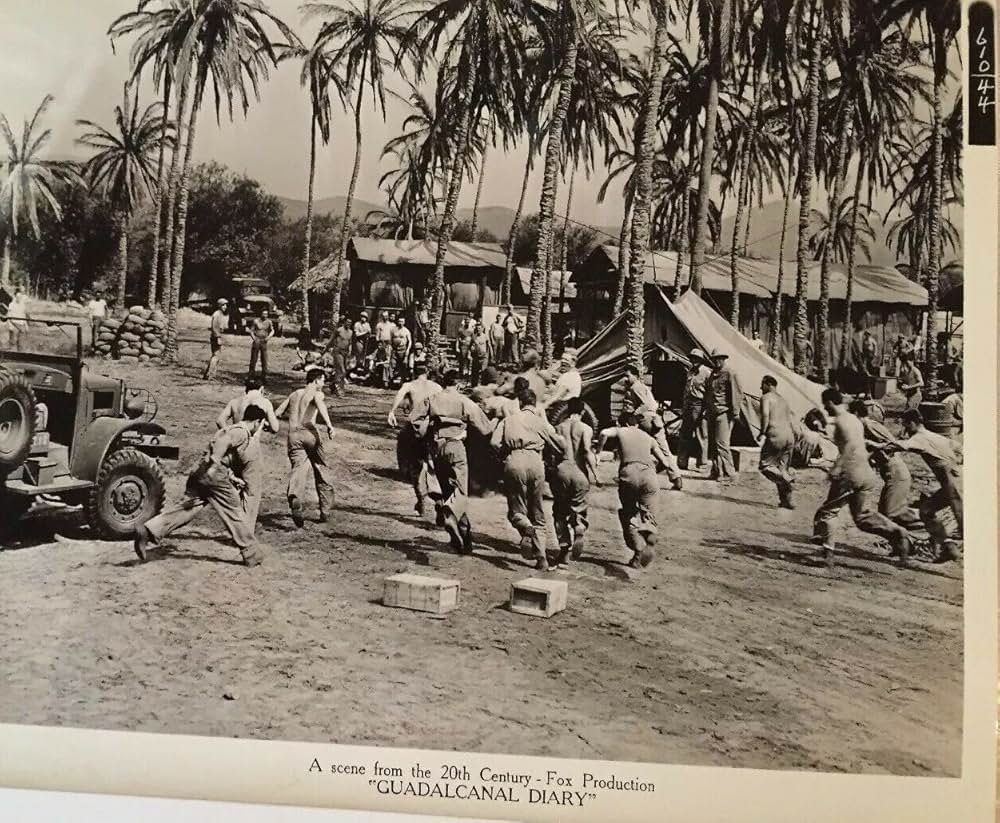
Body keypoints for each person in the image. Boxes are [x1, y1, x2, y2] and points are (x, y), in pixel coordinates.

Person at [133, 405, 268, 567]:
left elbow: (219, 449)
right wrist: (214, 467)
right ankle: (251, 553)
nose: (260, 428)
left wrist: (231, 476)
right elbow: (222, 444)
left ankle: (149, 530)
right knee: (234, 511)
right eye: (261, 425)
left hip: (200, 471)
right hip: (214, 475)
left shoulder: (231, 428)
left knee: (187, 509)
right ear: (257, 422)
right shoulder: (242, 432)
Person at [811, 388, 913, 567]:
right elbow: (854, 442)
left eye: (825, 404)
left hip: (850, 473)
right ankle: (897, 532)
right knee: (862, 517)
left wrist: (837, 467)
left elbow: (849, 445)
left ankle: (827, 554)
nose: (825, 408)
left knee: (828, 512)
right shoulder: (854, 420)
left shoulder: (843, 420)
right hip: (866, 473)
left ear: (831, 402)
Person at [411, 369, 494, 553]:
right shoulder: (464, 401)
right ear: (458, 385)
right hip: (455, 446)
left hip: (436, 447)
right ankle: (452, 517)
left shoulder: (433, 399)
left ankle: (463, 538)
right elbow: (485, 428)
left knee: (449, 491)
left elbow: (414, 419)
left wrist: (429, 428)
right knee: (461, 492)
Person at [491, 388, 566, 571]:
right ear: (534, 404)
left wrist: (504, 455)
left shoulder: (508, 420)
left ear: (520, 403)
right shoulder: (540, 422)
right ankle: (542, 559)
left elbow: (493, 442)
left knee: (516, 511)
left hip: (514, 460)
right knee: (538, 512)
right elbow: (558, 445)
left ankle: (525, 527)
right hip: (535, 462)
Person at [597, 412, 674, 568]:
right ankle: (650, 532)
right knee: (649, 515)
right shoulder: (649, 438)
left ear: (623, 424)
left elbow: (604, 432)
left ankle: (638, 550)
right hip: (649, 476)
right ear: (636, 424)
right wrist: (650, 471)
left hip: (629, 474)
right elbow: (666, 463)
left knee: (629, 513)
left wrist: (598, 451)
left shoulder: (621, 431)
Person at [895, 408, 963, 562]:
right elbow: (958, 447)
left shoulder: (919, 437)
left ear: (912, 423)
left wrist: (875, 443)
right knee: (926, 511)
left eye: (906, 426)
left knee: (965, 524)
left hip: (954, 482)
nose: (905, 430)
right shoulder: (935, 436)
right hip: (951, 482)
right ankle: (949, 547)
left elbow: (901, 446)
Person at [848, 398, 921, 536]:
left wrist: (874, 447)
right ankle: (903, 543)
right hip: (891, 474)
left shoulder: (870, 425)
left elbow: (893, 444)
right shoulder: (863, 428)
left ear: (857, 413)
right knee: (885, 514)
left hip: (897, 473)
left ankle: (928, 518)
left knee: (891, 513)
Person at [274, 368, 337, 528]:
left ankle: (295, 495)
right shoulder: (317, 392)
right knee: (321, 468)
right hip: (309, 431)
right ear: (316, 380)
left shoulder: (294, 394)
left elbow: (278, 412)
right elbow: (320, 404)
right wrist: (329, 425)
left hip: (293, 434)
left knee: (298, 468)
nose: (323, 383)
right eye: (323, 380)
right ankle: (325, 510)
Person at [387, 362, 442, 516]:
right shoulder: (436, 387)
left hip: (416, 428)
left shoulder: (410, 385)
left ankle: (421, 498)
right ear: (428, 372)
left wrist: (392, 411)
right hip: (432, 428)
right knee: (433, 466)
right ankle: (439, 501)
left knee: (415, 466)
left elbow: (400, 394)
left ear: (414, 372)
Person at [550, 396, 598, 566]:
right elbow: (586, 451)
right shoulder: (585, 429)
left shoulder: (557, 428)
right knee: (578, 507)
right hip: (579, 472)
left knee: (559, 511)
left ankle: (564, 550)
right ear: (583, 411)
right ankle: (578, 526)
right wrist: (595, 474)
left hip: (561, 470)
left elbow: (552, 453)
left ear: (568, 411)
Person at [623, 365, 683, 490]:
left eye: (628, 375)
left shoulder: (636, 387)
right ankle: (673, 476)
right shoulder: (641, 386)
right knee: (660, 449)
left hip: (647, 421)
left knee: (654, 449)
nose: (626, 378)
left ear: (635, 375)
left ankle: (674, 477)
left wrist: (634, 413)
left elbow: (647, 404)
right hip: (651, 421)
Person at [704, 349, 742, 483]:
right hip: (711, 412)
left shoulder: (730, 373)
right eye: (714, 359)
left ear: (723, 359)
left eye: (719, 358)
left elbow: (736, 394)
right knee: (713, 445)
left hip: (723, 412)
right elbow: (708, 393)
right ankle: (717, 471)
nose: (716, 361)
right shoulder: (712, 374)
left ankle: (729, 473)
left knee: (722, 444)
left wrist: (735, 413)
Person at [758, 375, 796, 509]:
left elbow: (765, 415)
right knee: (781, 468)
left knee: (765, 466)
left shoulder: (766, 398)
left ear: (768, 384)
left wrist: (762, 432)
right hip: (789, 436)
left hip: (776, 434)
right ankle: (787, 501)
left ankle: (787, 479)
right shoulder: (783, 400)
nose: (760, 388)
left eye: (762, 384)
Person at [678, 349, 711, 470]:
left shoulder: (706, 373)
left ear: (701, 360)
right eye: (692, 358)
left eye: (697, 358)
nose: (694, 360)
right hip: (688, 404)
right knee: (684, 433)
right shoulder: (690, 371)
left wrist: (706, 409)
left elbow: (709, 392)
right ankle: (682, 462)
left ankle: (702, 463)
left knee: (701, 434)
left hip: (699, 404)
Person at [325, 316, 354, 395]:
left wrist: (350, 351)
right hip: (338, 351)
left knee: (342, 371)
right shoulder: (339, 330)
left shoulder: (351, 332)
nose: (348, 324)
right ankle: (339, 389)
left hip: (346, 352)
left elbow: (350, 342)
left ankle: (333, 385)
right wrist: (326, 349)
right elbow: (331, 340)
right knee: (342, 370)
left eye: (350, 323)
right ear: (344, 322)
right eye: (347, 322)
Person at [202, 298, 229, 380]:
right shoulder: (217, 314)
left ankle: (210, 374)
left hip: (217, 335)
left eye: (226, 305)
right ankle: (210, 374)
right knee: (216, 356)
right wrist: (218, 337)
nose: (225, 306)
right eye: (223, 305)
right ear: (220, 305)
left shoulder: (220, 314)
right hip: (216, 336)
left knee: (216, 355)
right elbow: (214, 327)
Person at [247, 308, 275, 383]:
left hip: (264, 341)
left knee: (264, 359)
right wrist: (254, 338)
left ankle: (264, 376)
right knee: (253, 359)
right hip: (257, 340)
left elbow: (272, 330)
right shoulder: (256, 321)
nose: (265, 315)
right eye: (264, 314)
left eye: (266, 314)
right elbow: (251, 331)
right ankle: (251, 376)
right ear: (261, 314)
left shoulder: (269, 322)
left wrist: (268, 337)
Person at [390, 318, 413, 384]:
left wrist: (408, 350)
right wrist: (391, 348)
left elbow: (410, 341)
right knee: (392, 364)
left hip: (403, 350)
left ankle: (402, 381)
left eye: (402, 321)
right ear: (397, 321)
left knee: (403, 365)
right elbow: (391, 339)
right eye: (399, 321)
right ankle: (391, 381)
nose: (400, 323)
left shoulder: (406, 331)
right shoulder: (393, 330)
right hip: (394, 350)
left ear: (404, 322)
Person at [470, 321, 491, 385]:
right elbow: (471, 346)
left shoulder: (485, 336)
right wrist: (471, 350)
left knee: (483, 372)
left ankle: (483, 386)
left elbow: (489, 346)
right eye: (477, 328)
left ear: (482, 329)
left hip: (484, 357)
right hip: (476, 357)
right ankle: (474, 386)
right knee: (475, 372)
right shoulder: (474, 337)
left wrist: (490, 356)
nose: (478, 330)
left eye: (479, 328)